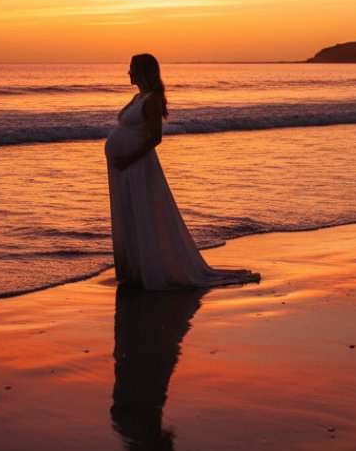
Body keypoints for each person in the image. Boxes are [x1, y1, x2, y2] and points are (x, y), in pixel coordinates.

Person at [105, 53, 260, 289]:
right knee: (129, 213)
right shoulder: (138, 97)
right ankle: (135, 269)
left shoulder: (152, 99)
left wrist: (128, 158)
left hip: (137, 165)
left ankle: (150, 271)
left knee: (143, 213)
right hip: (125, 167)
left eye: (132, 68)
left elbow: (155, 138)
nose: (128, 72)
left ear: (144, 71)